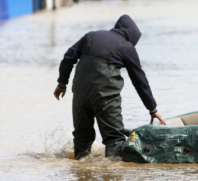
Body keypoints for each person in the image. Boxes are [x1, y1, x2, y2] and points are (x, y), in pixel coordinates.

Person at [53, 15, 166, 160]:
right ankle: (112, 173)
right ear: (131, 36)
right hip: (104, 95)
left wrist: (62, 84)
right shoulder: (127, 47)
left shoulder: (91, 36)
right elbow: (140, 81)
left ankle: (81, 172)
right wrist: (152, 109)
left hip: (80, 93)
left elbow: (68, 57)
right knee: (114, 139)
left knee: (82, 137)